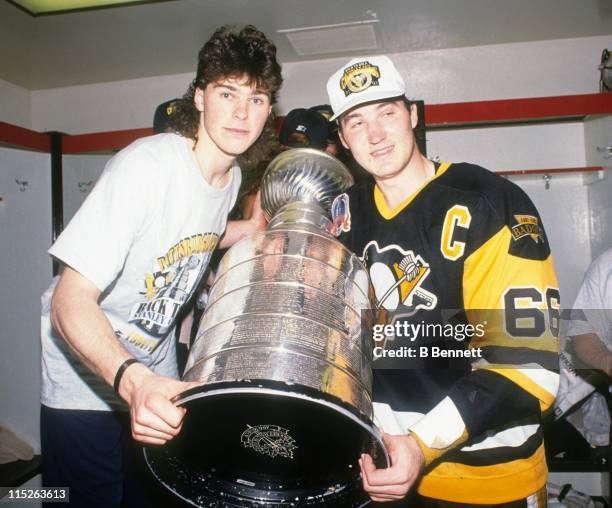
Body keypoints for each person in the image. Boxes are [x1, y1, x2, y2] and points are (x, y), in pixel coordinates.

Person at [40, 25, 282, 508]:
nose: (240, 112)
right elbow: (70, 299)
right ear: (199, 98)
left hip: (155, 372)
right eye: (226, 92)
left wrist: (252, 232)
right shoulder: (147, 166)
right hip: (87, 379)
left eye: (255, 99)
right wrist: (133, 380)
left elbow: (194, 237)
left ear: (268, 111)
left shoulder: (230, 177)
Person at [326, 55, 559, 506]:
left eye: (387, 113)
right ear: (342, 138)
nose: (374, 135)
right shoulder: (344, 214)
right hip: (385, 471)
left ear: (414, 115)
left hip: (488, 477)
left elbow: (529, 368)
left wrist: (420, 443)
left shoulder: (490, 202)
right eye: (356, 122)